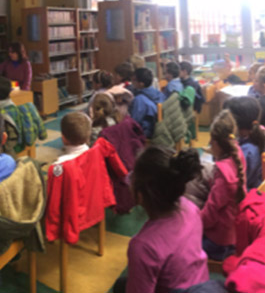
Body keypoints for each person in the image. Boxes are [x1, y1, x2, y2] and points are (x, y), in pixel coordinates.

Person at [113, 147, 208, 293]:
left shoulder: (143, 247)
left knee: (120, 285)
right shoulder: (190, 207)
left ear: (140, 195)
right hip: (201, 284)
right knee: (121, 284)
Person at [201, 110, 247, 261]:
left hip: (219, 242)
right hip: (233, 232)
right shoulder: (237, 153)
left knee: (182, 243)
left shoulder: (223, 174)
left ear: (215, 143)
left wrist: (193, 220)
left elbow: (209, 216)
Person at [224, 97, 265, 190]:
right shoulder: (260, 131)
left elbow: (233, 184)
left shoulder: (245, 152)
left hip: (245, 194)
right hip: (256, 187)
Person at [129, 67, 164, 138]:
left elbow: (134, 121)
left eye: (133, 80)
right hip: (158, 130)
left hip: (146, 133)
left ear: (141, 84)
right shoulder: (158, 93)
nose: (131, 83)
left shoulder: (139, 99)